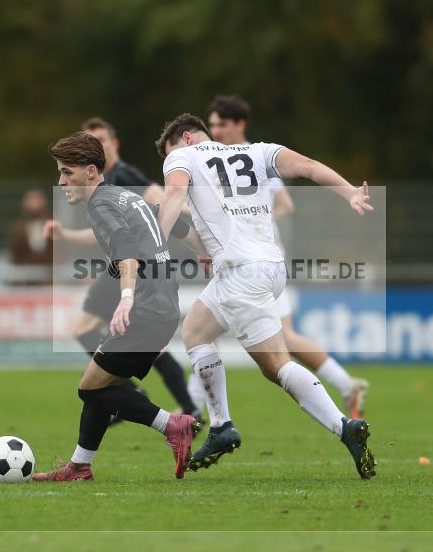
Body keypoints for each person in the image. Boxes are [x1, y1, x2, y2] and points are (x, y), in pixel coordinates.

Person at [155, 113, 376, 479]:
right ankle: (221, 425)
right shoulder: (257, 151)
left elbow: (175, 192)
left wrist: (155, 247)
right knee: (194, 330)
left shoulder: (182, 155)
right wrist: (350, 191)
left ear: (187, 138)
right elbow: (307, 166)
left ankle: (343, 426)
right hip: (269, 267)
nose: (170, 160)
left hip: (240, 272)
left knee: (275, 365)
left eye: (170, 152)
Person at [33, 131, 203, 482]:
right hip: (162, 307)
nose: (61, 182)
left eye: (66, 172)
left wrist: (125, 298)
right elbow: (171, 220)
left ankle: (174, 425)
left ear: (91, 171)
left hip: (146, 310)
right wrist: (203, 249)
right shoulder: (125, 196)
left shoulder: (99, 205)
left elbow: (126, 249)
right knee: (100, 387)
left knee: (89, 388)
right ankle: (80, 466)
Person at [196, 95, 369, 418]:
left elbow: (286, 204)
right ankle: (346, 385)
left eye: (222, 124)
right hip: (243, 261)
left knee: (211, 334)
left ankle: (197, 409)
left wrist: (250, 223)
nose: (215, 131)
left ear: (240, 124)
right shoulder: (214, 159)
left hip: (255, 263)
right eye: (213, 125)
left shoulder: (253, 158)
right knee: (205, 333)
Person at [8, 189, 53, 284]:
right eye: (31, 200)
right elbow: (15, 255)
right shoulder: (19, 228)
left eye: (37, 200)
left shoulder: (53, 225)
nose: (34, 205)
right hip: (26, 280)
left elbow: (61, 253)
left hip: (50, 278)